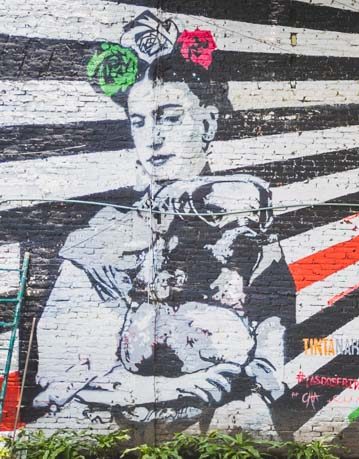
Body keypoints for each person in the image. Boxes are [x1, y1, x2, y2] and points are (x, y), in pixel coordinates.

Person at [32, 13, 295, 437]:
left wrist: (241, 386)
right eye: (139, 121)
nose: (152, 137)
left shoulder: (253, 232)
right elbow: (63, 377)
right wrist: (166, 389)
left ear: (208, 125)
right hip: (106, 428)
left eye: (170, 117)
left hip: (222, 426)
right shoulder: (99, 238)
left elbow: (272, 353)